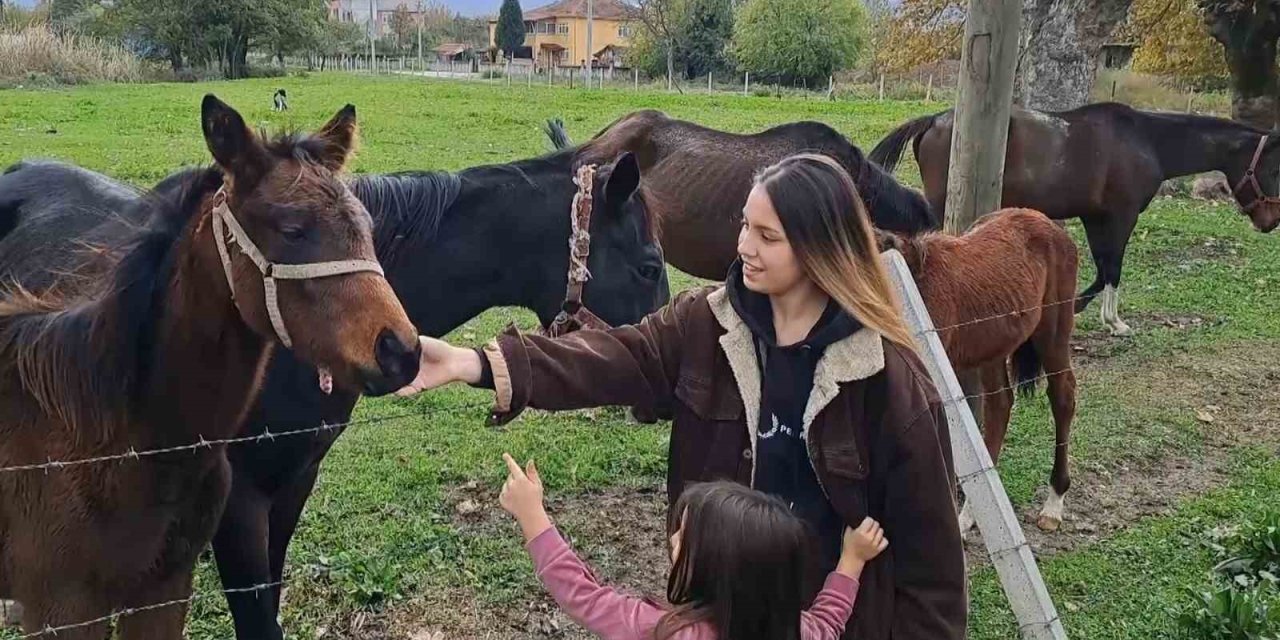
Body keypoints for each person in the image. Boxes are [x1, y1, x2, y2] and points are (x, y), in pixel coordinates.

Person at [398, 153, 966, 639]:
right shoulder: (705, 323)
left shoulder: (889, 383)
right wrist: (472, 363)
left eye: (767, 236)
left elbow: (932, 574)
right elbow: (618, 358)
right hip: (721, 612)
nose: (744, 245)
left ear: (821, 249)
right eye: (745, 225)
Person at [498, 453, 888, 640]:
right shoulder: (792, 630)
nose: (671, 540)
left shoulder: (665, 631)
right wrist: (851, 560)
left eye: (683, 537)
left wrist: (532, 516)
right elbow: (828, 621)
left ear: (716, 567)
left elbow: (584, 595)